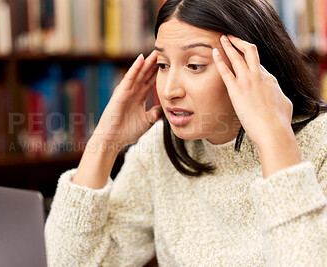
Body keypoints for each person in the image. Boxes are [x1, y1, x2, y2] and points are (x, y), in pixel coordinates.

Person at [45, 0, 327, 265]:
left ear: (256, 68)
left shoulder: (320, 143)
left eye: (195, 66)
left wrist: (274, 141)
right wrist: (105, 142)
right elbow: (69, 262)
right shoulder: (162, 147)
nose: (169, 91)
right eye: (163, 65)